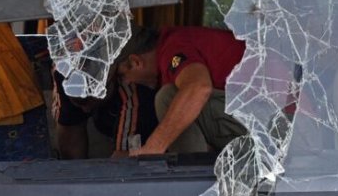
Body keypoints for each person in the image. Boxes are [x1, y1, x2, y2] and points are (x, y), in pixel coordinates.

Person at [116, 25, 247, 156]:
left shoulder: (173, 46)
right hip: (252, 118)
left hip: (262, 121)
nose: (126, 82)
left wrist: (152, 148)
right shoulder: (173, 44)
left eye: (122, 76)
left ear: (135, 62)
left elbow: (198, 88)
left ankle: (191, 174)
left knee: (168, 97)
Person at [52, 69, 157, 159]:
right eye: (79, 104)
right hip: (72, 73)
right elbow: (69, 129)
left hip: (130, 99)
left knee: (129, 154)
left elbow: (125, 159)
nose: (86, 110)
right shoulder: (62, 73)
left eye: (89, 102)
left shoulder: (129, 84)